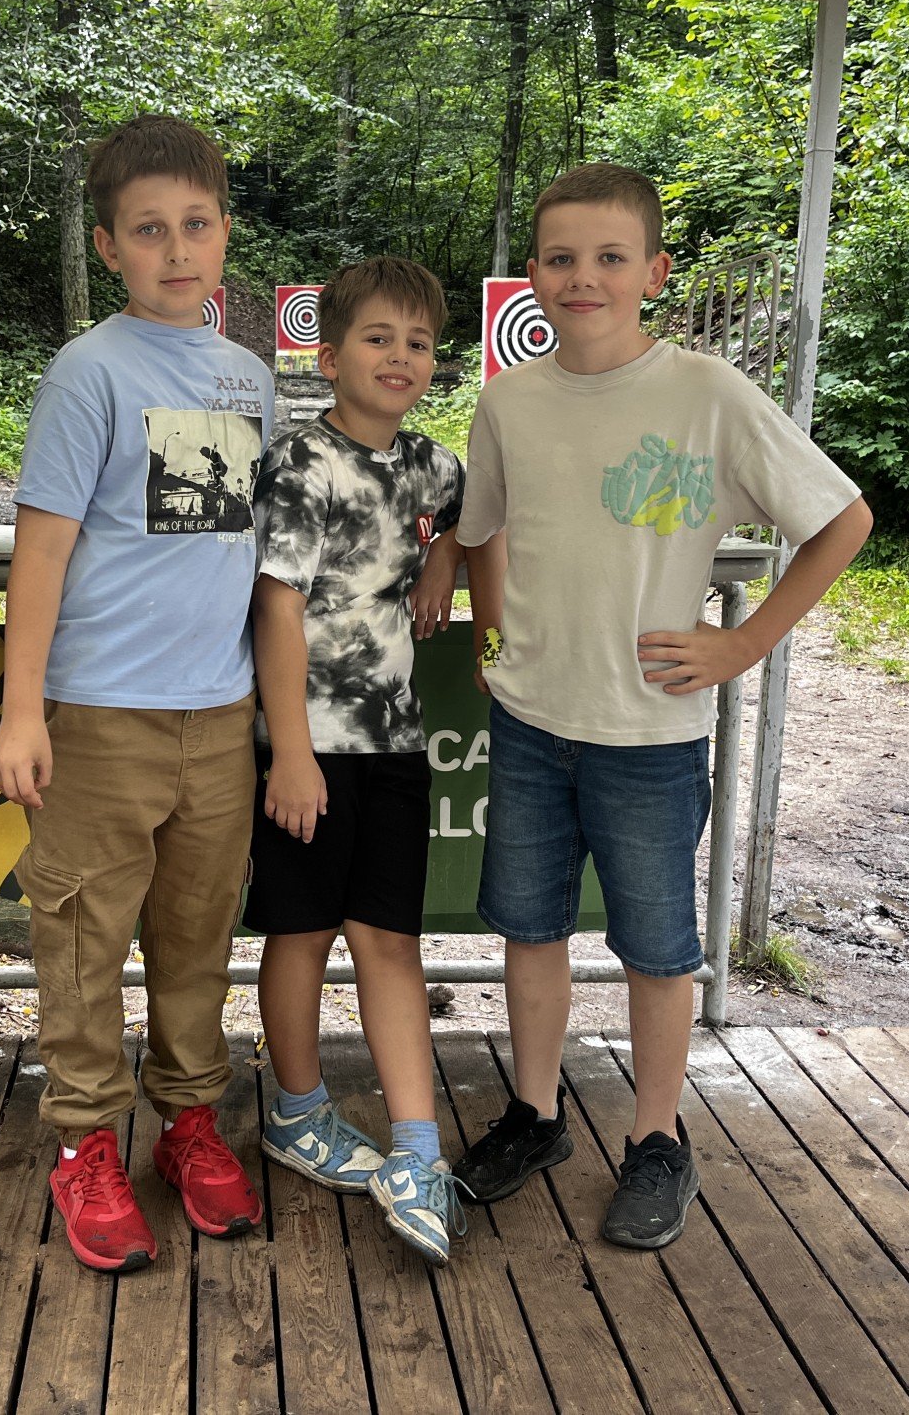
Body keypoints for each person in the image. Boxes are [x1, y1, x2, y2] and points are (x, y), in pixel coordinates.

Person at [451, 163, 873, 1249]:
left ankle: (654, 1138)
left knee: (656, 948)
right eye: (559, 258)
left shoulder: (706, 393)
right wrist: (491, 643)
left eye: (608, 257)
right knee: (529, 931)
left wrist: (743, 642)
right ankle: (535, 1114)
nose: (581, 278)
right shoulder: (506, 400)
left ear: (654, 271)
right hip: (529, 724)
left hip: (650, 733)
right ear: (531, 274)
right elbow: (479, 529)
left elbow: (841, 520)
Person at [0, 115, 276, 1275]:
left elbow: (250, 548)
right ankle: (86, 1143)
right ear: (108, 247)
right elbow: (41, 550)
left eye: (194, 225)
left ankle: (190, 1125)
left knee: (197, 936)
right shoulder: (88, 372)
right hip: (100, 715)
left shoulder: (250, 378)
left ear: (224, 234)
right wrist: (21, 712)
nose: (175, 249)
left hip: (219, 716)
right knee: (83, 940)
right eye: (148, 230)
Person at [247, 257, 469, 1264]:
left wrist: (442, 565)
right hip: (311, 749)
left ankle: (416, 1150)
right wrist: (290, 753)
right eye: (378, 338)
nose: (400, 357)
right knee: (300, 933)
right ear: (330, 355)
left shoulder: (430, 464)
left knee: (389, 940)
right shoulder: (302, 464)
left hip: (396, 744)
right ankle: (296, 1112)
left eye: (418, 343)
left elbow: (465, 512)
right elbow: (275, 607)